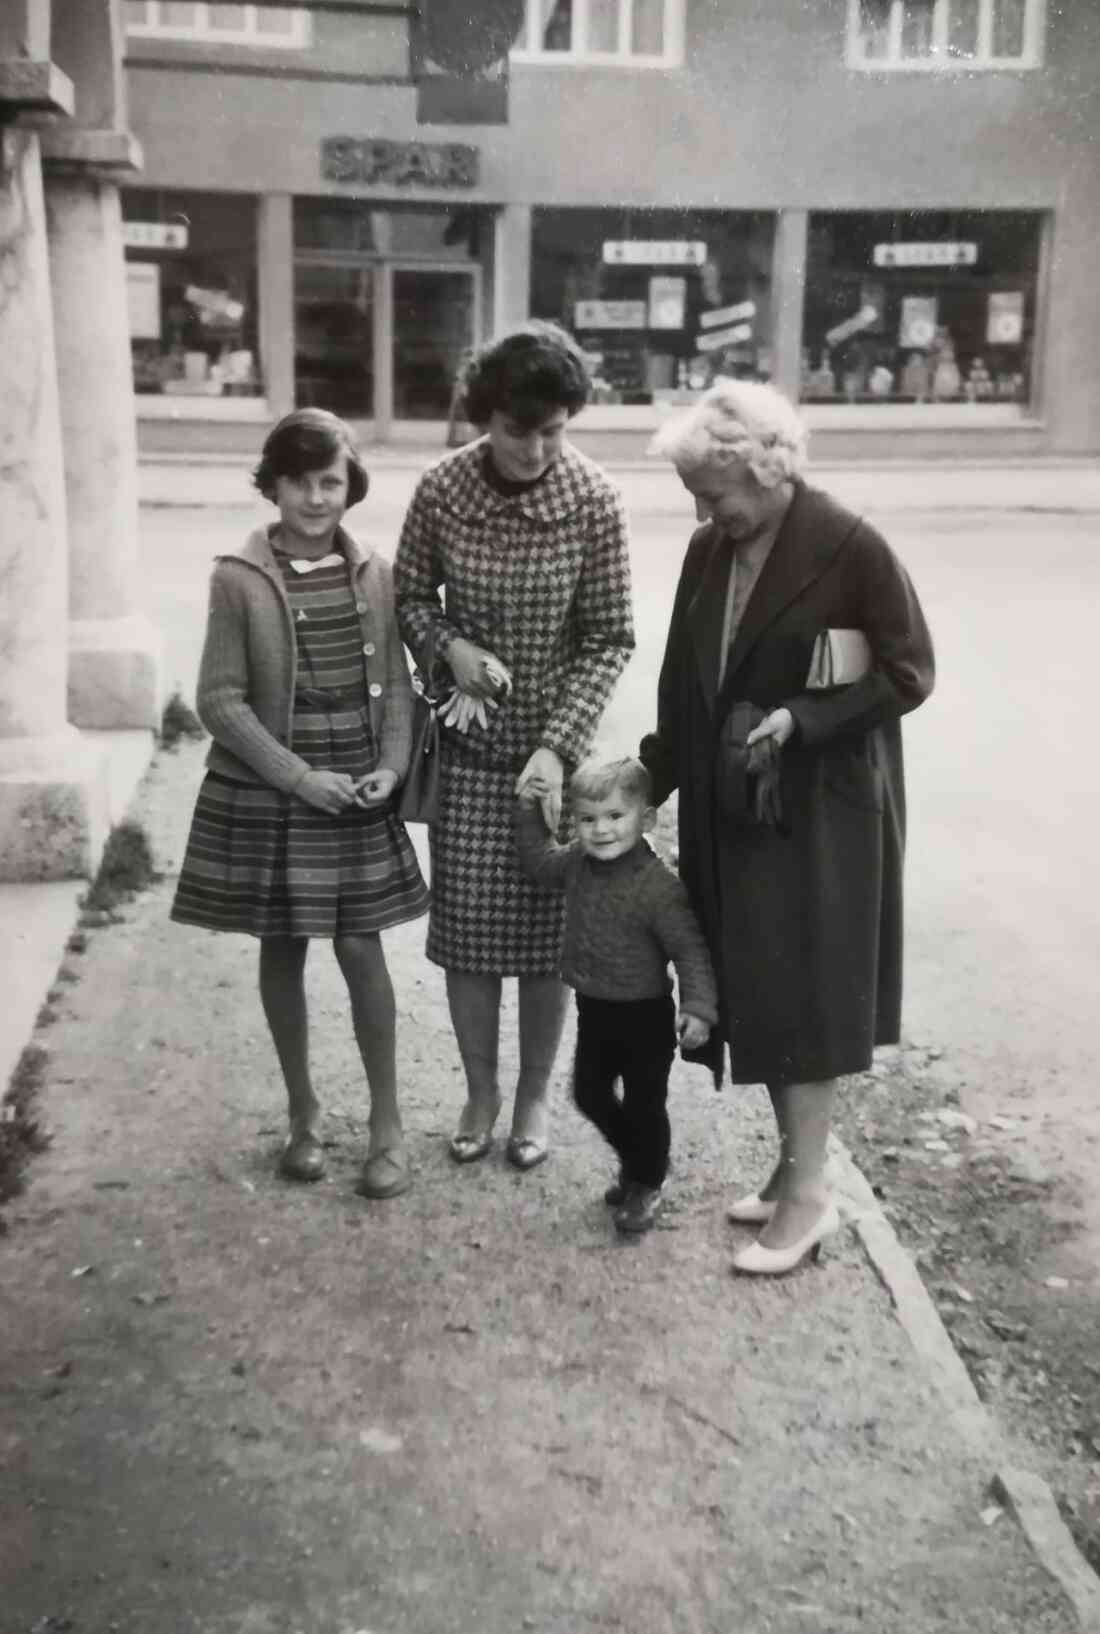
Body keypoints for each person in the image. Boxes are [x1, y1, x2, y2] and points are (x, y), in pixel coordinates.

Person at [641, 380, 934, 1275]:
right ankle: (790, 1169)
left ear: (766, 474)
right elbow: (685, 680)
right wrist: (652, 774)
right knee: (760, 992)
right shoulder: (709, 548)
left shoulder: (849, 544)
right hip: (735, 808)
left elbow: (909, 672)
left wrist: (804, 721)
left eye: (713, 491)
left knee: (802, 997)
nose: (701, 508)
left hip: (818, 816)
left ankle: (810, 1201)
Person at [394, 321, 635, 1171]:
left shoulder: (595, 499)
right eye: (516, 429)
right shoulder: (440, 490)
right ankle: (480, 1090)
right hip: (467, 755)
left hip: (551, 765)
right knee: (467, 938)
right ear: (483, 417)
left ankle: (533, 1094)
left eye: (553, 431)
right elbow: (410, 598)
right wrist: (449, 648)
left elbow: (610, 638)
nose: (534, 449)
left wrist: (561, 749)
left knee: (544, 943)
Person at [171, 409, 429, 1198]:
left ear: (351, 486)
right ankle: (304, 1116)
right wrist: (296, 776)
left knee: (361, 949)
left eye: (331, 482)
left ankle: (387, 1126)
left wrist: (389, 766)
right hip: (281, 791)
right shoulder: (238, 577)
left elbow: (398, 689)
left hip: (354, 786)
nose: (317, 499)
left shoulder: (376, 572)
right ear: (273, 484)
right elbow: (218, 699)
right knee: (282, 946)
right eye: (300, 482)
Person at [515, 757, 717, 1234]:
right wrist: (527, 812)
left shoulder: (657, 887)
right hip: (594, 1008)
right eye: (587, 819)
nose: (601, 830)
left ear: (645, 820)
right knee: (588, 1092)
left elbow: (689, 950)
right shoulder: (578, 864)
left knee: (646, 1104)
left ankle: (644, 1183)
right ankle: (642, 1163)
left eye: (614, 817)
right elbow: (541, 863)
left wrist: (698, 1008)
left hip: (646, 1017)